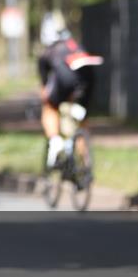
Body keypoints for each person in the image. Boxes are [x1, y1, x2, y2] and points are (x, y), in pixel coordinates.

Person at [37, 14, 103, 171]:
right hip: (88, 79)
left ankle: (55, 141)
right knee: (81, 119)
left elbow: (45, 89)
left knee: (49, 107)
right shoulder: (75, 45)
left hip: (64, 77)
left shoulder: (47, 53)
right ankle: (85, 164)